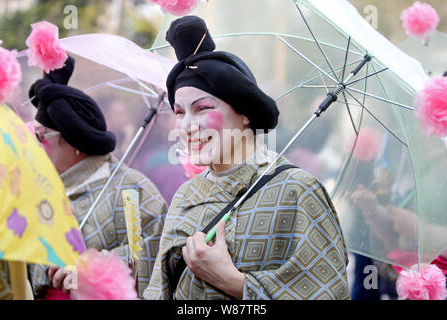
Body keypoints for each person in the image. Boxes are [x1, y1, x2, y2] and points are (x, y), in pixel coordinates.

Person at [143, 16, 350, 300]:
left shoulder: (297, 190)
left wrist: (234, 283)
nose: (187, 125)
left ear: (244, 115)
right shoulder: (186, 195)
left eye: (202, 108)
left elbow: (330, 293)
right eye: (179, 112)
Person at [28, 57, 168, 298]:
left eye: (41, 137)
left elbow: (152, 253)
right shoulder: (37, 190)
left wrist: (89, 268)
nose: (34, 147)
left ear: (72, 141)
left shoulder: (131, 189)